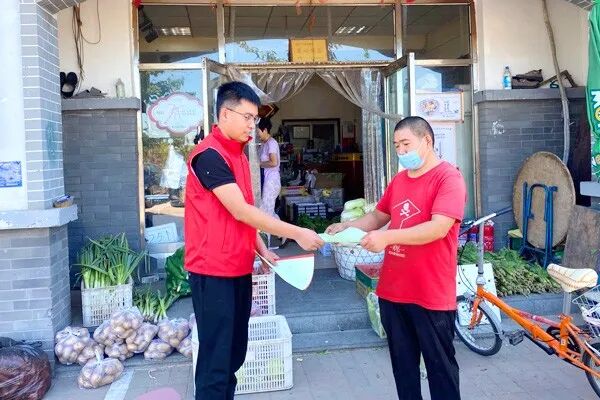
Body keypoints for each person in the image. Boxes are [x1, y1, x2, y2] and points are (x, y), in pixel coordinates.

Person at [184, 81, 324, 400]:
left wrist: (261, 249)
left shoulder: (240, 155)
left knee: (234, 354)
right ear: (225, 114)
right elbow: (241, 210)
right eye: (247, 117)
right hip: (212, 271)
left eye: (255, 118)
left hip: (238, 267)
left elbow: (244, 215)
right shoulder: (208, 156)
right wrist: (296, 232)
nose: (253, 125)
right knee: (216, 361)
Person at [326, 116, 466, 400]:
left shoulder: (448, 178)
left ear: (427, 141)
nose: (401, 151)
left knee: (441, 370)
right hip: (393, 292)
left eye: (406, 144)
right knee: (404, 370)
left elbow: (438, 228)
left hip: (430, 292)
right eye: (396, 145)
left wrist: (388, 238)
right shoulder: (400, 180)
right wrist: (347, 227)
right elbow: (378, 216)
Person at [257, 118, 281, 219]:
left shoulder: (272, 143)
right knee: (267, 210)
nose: (257, 134)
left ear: (265, 130)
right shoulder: (264, 143)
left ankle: (274, 228)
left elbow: (274, 162)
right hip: (267, 179)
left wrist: (258, 164)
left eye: (258, 131)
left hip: (272, 181)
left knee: (267, 212)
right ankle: (280, 229)